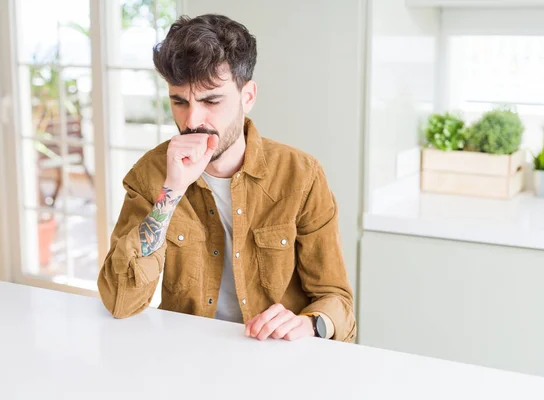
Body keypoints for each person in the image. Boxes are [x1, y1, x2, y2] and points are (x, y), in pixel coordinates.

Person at [97, 14, 356, 342]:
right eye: (179, 101)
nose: (192, 120)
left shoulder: (301, 175)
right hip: (189, 358)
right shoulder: (152, 174)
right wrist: (172, 190)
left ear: (247, 97)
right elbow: (120, 300)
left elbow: (338, 302)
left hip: (276, 357)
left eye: (210, 100)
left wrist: (308, 324)